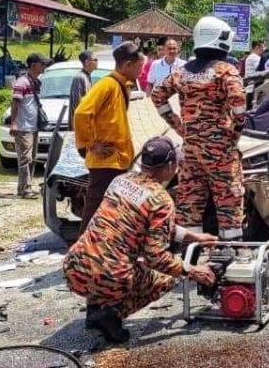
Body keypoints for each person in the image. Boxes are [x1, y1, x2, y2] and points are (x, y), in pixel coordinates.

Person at [63, 136, 219, 343]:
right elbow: (156, 258)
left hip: (75, 268)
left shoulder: (120, 181)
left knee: (108, 257)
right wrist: (192, 270)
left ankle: (95, 310)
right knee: (169, 276)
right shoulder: (161, 200)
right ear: (169, 166)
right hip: (109, 276)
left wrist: (195, 236)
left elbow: (146, 223)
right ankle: (112, 313)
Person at [151, 16, 248, 241]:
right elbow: (240, 107)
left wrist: (177, 126)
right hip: (220, 152)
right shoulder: (226, 71)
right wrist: (235, 134)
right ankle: (229, 254)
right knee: (228, 202)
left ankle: (189, 257)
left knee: (190, 202)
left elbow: (157, 95)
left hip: (191, 151)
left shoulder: (181, 72)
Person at [72, 42, 145, 233]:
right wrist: (89, 144)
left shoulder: (122, 85)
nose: (141, 72)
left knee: (112, 209)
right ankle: (82, 251)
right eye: (139, 67)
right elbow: (81, 113)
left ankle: (102, 249)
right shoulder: (107, 84)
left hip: (117, 159)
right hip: (105, 160)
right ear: (127, 65)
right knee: (95, 207)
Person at [9, 52, 51, 198]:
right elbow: (15, 103)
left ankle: (25, 188)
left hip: (33, 127)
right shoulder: (22, 83)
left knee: (31, 159)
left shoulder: (35, 82)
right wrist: (14, 123)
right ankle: (25, 189)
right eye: (42, 64)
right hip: (23, 127)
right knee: (25, 159)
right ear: (34, 65)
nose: (44, 67)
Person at [68, 50, 97, 130]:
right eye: (95, 60)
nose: (97, 62)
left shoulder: (87, 76)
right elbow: (78, 104)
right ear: (87, 62)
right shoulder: (80, 78)